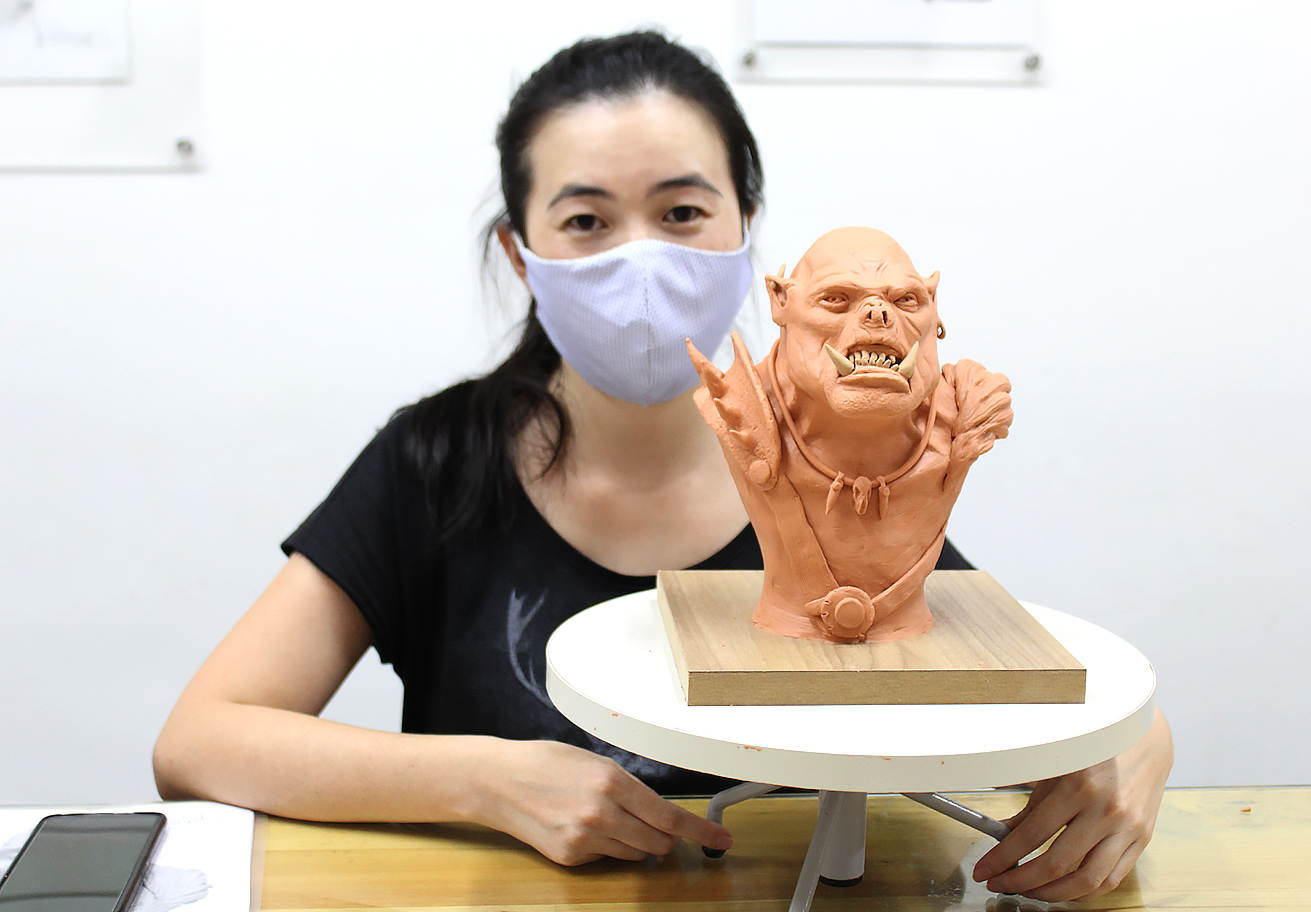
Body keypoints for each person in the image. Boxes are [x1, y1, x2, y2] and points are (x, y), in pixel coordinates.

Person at [152, 30, 1173, 902]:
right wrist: (487, 783)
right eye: (585, 221)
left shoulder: (850, 451)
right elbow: (201, 742)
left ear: (747, 236)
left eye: (682, 213)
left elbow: (999, 671)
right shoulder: (435, 464)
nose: (638, 256)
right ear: (520, 254)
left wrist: (1132, 747)